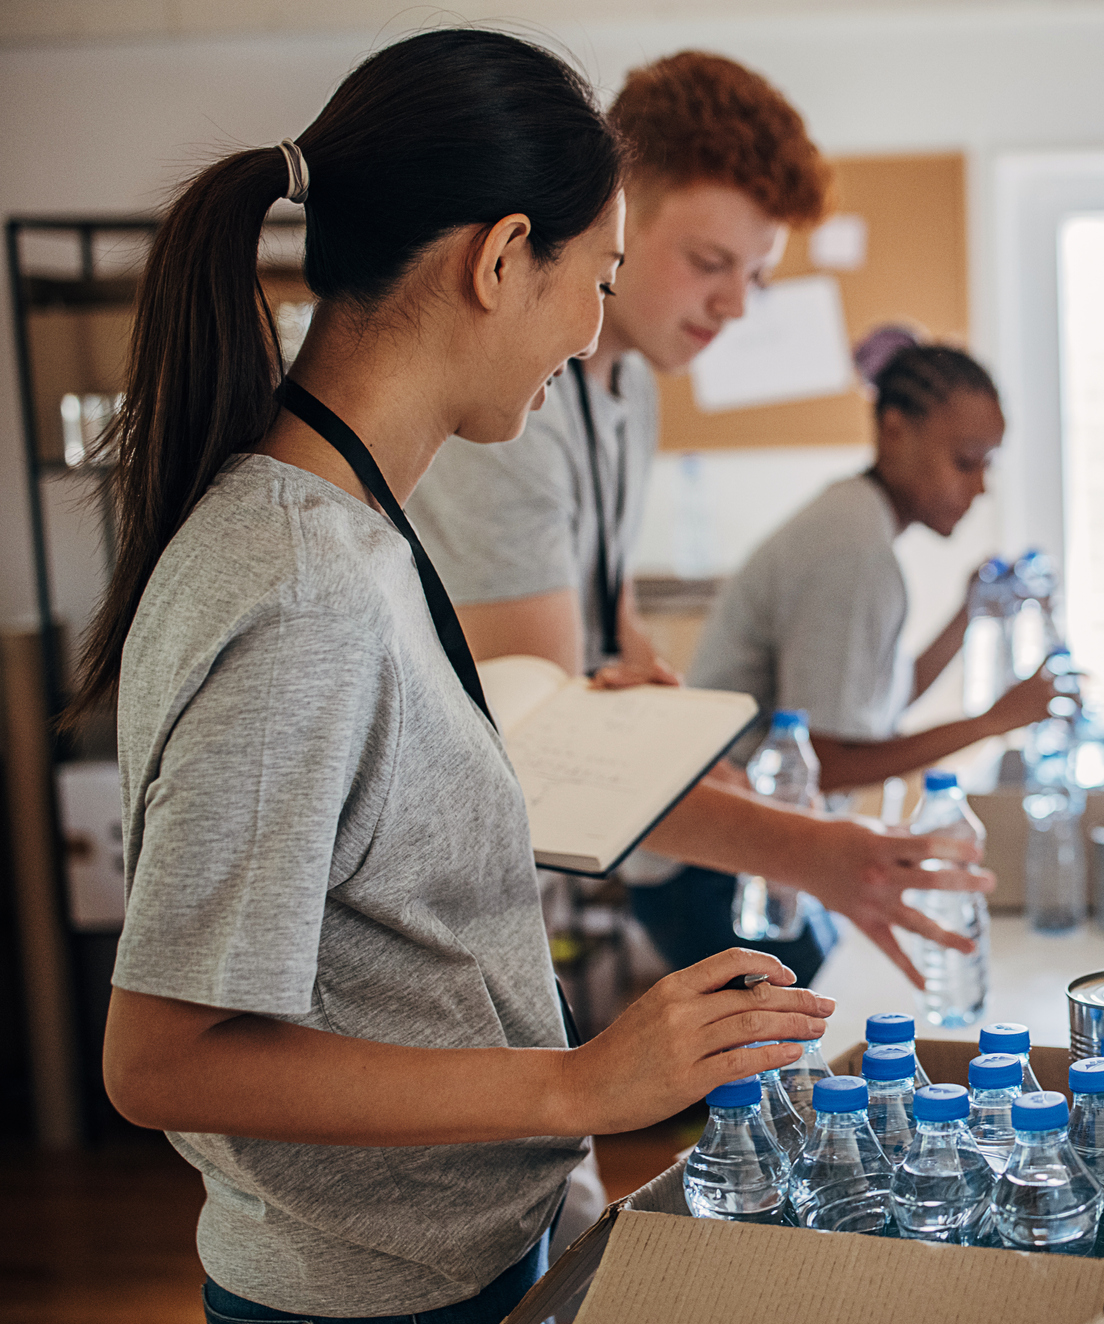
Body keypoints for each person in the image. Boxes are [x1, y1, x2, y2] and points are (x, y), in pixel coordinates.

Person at [82, 32, 835, 1324]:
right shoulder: (300, 586)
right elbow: (160, 1055)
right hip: (376, 1318)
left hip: (458, 1264)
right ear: (500, 262)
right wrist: (574, 1084)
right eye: (592, 283)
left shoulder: (359, 529)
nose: (594, 335)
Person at [407, 52, 980, 993]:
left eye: (755, 274)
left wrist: (698, 750)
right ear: (614, 212)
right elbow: (542, 726)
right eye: (710, 263)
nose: (734, 304)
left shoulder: (628, 387)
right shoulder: (518, 404)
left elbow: (613, 628)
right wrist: (808, 846)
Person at [686, 336, 1066, 791]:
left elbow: (877, 706)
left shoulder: (855, 519)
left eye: (988, 465)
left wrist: (968, 614)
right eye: (965, 461)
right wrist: (992, 722)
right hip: (709, 842)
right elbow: (825, 765)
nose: (981, 488)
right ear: (895, 431)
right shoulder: (854, 551)